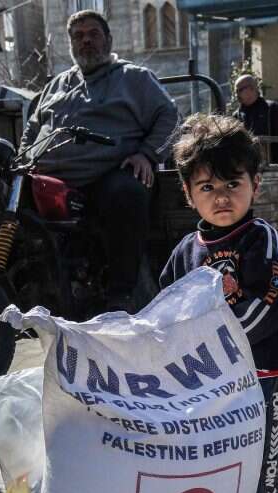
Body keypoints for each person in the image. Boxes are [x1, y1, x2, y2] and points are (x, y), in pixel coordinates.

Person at [160, 114, 278, 493]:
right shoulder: (185, 251)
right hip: (208, 383)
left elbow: (270, 303)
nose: (221, 197)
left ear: (255, 184)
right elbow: (165, 310)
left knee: (260, 460)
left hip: (260, 377)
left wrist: (216, 349)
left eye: (232, 184)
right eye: (207, 186)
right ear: (187, 193)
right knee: (216, 458)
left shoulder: (261, 239)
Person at [18, 10, 179, 311]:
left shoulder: (134, 78)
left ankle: (122, 295)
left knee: (125, 192)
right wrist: (26, 159)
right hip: (50, 179)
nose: (86, 41)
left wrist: (147, 154)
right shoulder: (56, 85)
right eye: (78, 36)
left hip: (107, 174)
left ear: (108, 40)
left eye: (93, 34)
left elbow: (171, 117)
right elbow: (32, 129)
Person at [233, 75, 278, 165]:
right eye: (237, 91)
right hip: (248, 167)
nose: (237, 95)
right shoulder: (237, 115)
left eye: (240, 90)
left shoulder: (270, 108)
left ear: (252, 89)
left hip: (272, 166)